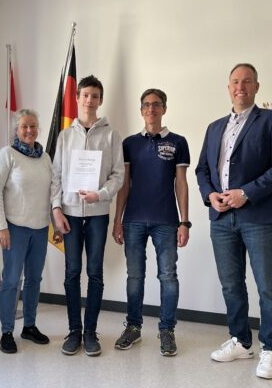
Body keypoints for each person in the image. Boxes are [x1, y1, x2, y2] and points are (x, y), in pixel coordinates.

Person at [195, 63, 272, 379]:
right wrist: (210, 195)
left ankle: (271, 349)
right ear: (228, 88)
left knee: (268, 286)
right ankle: (240, 340)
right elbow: (202, 170)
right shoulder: (214, 127)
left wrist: (246, 193)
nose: (241, 87)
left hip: (260, 215)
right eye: (235, 82)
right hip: (221, 217)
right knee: (231, 284)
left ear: (256, 87)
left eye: (247, 81)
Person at [111, 88, 190, 357]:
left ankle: (167, 330)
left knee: (168, 276)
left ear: (164, 108)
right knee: (135, 277)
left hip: (166, 221)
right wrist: (117, 221)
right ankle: (133, 327)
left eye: (156, 104)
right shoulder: (130, 144)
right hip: (133, 220)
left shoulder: (178, 142)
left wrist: (184, 222)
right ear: (141, 110)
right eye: (146, 104)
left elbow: (181, 184)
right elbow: (124, 185)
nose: (151, 109)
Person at [51, 75, 124, 357]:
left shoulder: (111, 135)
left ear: (100, 100)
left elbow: (118, 175)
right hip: (69, 213)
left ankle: (90, 332)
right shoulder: (65, 136)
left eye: (95, 96)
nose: (89, 100)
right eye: (85, 95)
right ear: (77, 98)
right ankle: (74, 331)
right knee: (72, 273)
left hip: (97, 214)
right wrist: (56, 209)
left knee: (95, 273)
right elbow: (56, 176)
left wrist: (100, 194)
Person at [0, 109, 62, 354]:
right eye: (24, 127)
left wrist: (56, 223)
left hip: (40, 229)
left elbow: (53, 192)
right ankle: (7, 331)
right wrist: (0, 226)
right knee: (11, 281)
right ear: (16, 130)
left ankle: (29, 326)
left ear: (37, 129)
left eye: (33, 126)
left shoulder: (45, 158)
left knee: (33, 280)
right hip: (14, 228)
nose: (29, 130)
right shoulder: (7, 155)